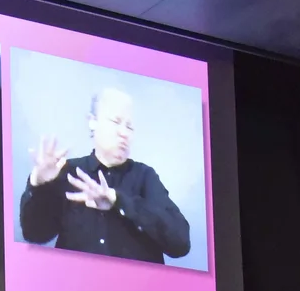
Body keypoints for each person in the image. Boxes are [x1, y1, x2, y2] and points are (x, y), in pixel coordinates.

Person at [18, 86, 191, 264]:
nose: (124, 133)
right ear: (92, 122)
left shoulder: (145, 176)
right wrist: (39, 184)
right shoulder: (68, 171)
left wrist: (119, 201)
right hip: (78, 288)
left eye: (129, 126)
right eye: (116, 122)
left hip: (138, 290)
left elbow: (180, 243)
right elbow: (35, 234)